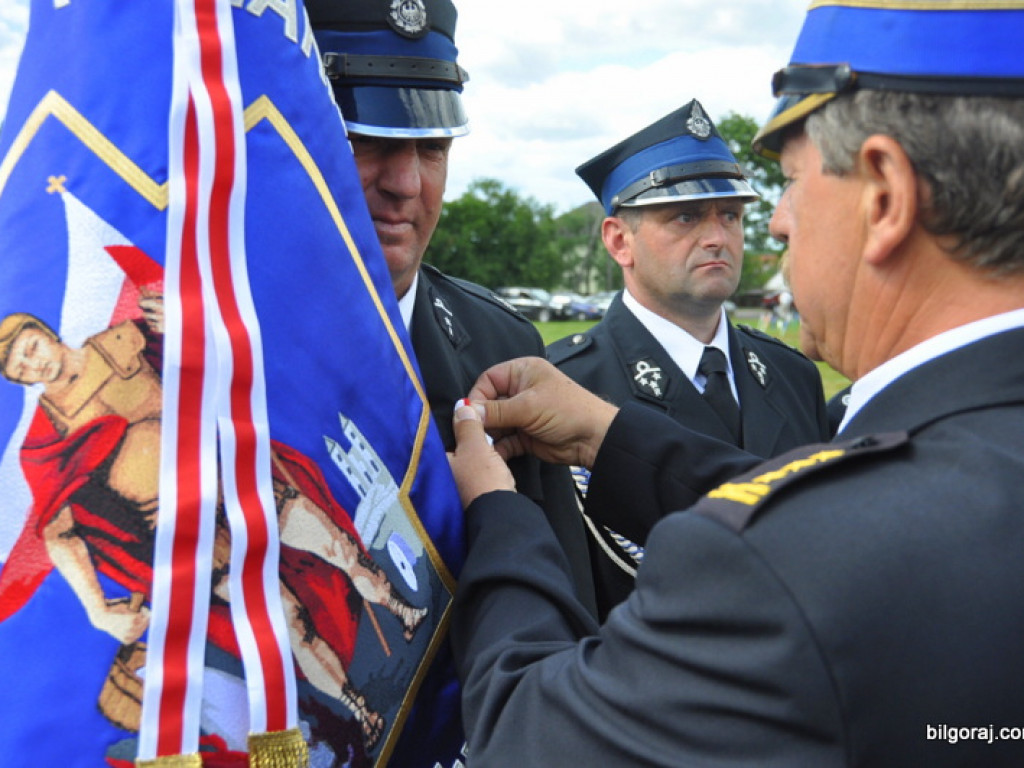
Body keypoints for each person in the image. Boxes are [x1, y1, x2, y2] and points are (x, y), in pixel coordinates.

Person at [446, 2, 1024, 765]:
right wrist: (610, 438)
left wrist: (499, 513)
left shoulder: (775, 561)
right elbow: (835, 509)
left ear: (884, 195)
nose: (773, 223)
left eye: (790, 182)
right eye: (687, 217)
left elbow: (523, 735)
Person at [304, 0, 596, 762]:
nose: (406, 182)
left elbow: (562, 611)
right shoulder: (214, 347)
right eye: (368, 139)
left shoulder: (502, 346)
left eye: (432, 147)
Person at [0, 308, 428, 752]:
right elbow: (59, 533)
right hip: (188, 533)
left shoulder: (123, 340)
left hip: (234, 478)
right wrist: (97, 610)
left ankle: (401, 610)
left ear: (45, 333)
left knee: (336, 546)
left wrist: (183, 323)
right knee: (288, 622)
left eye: (30, 349)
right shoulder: (46, 437)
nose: (33, 365)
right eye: (20, 369)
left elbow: (210, 360)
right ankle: (359, 708)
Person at [547, 99, 829, 617]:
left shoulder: (792, 374)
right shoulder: (567, 385)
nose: (718, 238)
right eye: (686, 216)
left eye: (731, 216)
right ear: (619, 241)